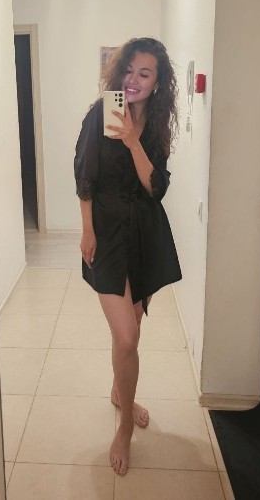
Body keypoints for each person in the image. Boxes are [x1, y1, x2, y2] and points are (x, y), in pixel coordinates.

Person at [74, 37, 182, 476]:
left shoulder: (154, 125)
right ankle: (123, 430)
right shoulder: (102, 112)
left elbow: (156, 188)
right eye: (129, 70)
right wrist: (87, 230)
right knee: (127, 337)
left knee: (131, 331)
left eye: (144, 73)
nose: (133, 80)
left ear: (157, 83)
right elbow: (85, 174)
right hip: (108, 233)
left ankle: (121, 391)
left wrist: (135, 141)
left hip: (146, 234)